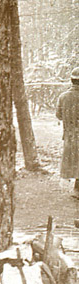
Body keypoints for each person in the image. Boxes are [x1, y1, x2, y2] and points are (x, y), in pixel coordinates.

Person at [56, 67, 79, 200]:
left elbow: (58, 115)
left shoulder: (63, 96)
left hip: (70, 135)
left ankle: (76, 189)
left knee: (74, 161)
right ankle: (77, 189)